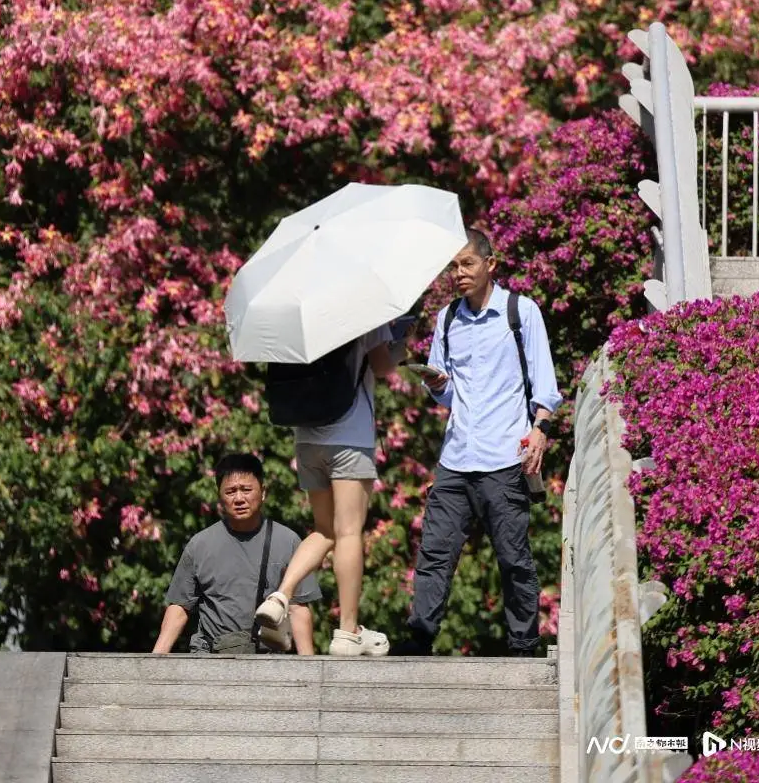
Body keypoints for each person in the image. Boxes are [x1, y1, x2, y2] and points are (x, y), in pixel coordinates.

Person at [398, 228, 562, 657]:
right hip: (456, 458)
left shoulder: (520, 312)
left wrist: (540, 432)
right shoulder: (447, 319)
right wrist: (436, 384)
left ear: (491, 264)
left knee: (512, 558)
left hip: (504, 457)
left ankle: (524, 644)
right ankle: (419, 638)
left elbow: (544, 385)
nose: (459, 273)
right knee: (434, 552)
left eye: (467, 263)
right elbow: (449, 393)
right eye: (453, 266)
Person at [254, 327, 394, 657]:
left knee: (324, 530)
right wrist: (400, 344)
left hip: (307, 437)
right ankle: (347, 631)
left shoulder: (303, 311)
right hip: (349, 435)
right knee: (348, 532)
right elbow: (384, 364)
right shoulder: (362, 308)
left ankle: (280, 597)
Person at [152, 452, 320, 655]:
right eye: (230, 491)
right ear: (219, 496)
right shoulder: (200, 544)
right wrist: (156, 660)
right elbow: (180, 606)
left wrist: (309, 667)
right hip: (210, 658)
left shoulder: (289, 542)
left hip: (266, 662)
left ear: (263, 492)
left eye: (247, 490)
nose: (239, 498)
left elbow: (298, 608)